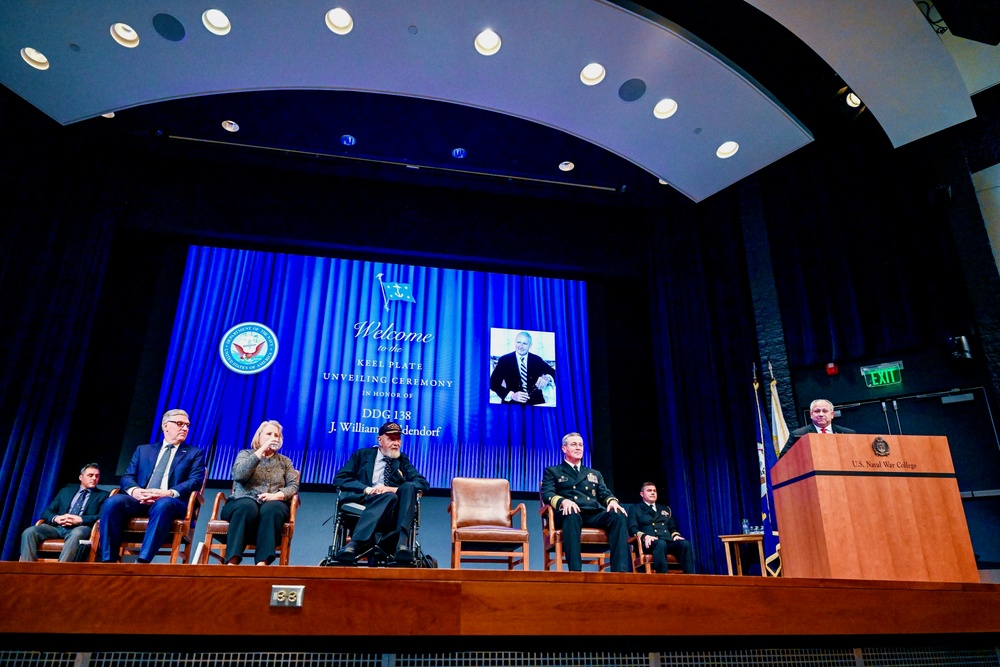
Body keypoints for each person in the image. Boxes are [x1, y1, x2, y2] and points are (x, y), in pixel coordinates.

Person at [99, 409, 206, 563]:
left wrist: (168, 493)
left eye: (187, 425)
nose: (185, 428)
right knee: (112, 502)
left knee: (163, 504)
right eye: (180, 424)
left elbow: (195, 481)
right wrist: (135, 491)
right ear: (165, 426)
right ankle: (108, 560)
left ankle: (143, 561)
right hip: (140, 499)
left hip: (171, 502)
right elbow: (128, 477)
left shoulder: (194, 453)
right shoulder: (144, 450)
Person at [333, 420, 429, 564]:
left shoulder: (402, 460)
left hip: (393, 506)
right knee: (390, 496)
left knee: (406, 488)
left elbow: (422, 483)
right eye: (391, 439)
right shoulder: (362, 455)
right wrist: (367, 489)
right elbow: (340, 478)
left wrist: (393, 489)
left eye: (398, 439)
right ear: (380, 440)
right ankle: (356, 542)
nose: (396, 443)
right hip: (364, 499)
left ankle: (401, 544)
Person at [540, 432, 630, 572]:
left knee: (618, 515)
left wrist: (612, 501)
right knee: (572, 514)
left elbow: (604, 494)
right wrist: (563, 501)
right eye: (574, 444)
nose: (578, 448)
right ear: (564, 449)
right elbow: (547, 494)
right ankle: (575, 571)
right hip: (568, 514)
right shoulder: (553, 471)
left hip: (592, 513)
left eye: (581, 445)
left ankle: (620, 571)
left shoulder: (594, 473)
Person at [221, 420, 299, 565]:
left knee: (272, 508)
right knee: (247, 506)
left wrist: (276, 495)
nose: (273, 437)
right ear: (259, 436)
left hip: (273, 502)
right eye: (269, 434)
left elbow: (293, 486)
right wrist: (261, 451)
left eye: (277, 435)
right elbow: (239, 475)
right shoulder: (245, 454)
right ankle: (232, 560)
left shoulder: (285, 462)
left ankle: (262, 563)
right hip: (241, 501)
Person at [20, 463, 110, 562]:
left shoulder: (103, 495)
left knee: (77, 533)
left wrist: (80, 519)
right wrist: (57, 518)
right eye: (90, 475)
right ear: (81, 477)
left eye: (97, 476)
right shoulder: (65, 491)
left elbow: (101, 516)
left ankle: (61, 571)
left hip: (81, 527)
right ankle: (26, 570)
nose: (94, 478)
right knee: (29, 532)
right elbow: (47, 512)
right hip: (57, 527)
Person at [627, 481, 695, 574]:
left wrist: (675, 535)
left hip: (667, 541)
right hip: (650, 543)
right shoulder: (635, 509)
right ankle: (663, 577)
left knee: (685, 544)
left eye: (654, 491)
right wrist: (645, 536)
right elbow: (632, 529)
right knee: (660, 544)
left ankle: (690, 578)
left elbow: (672, 528)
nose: (653, 493)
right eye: (649, 490)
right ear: (642, 494)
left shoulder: (665, 509)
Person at [489, 331, 556, 405]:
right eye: (518, 342)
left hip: (536, 402)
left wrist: (548, 377)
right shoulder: (504, 360)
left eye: (524, 343)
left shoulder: (537, 359)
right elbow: (493, 384)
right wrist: (511, 395)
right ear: (515, 342)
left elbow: (554, 373)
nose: (520, 346)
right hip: (512, 403)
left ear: (530, 345)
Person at [781, 398, 856, 457]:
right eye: (817, 411)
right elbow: (783, 458)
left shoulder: (848, 433)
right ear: (811, 414)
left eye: (825, 411)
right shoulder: (798, 435)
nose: (821, 414)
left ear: (832, 414)